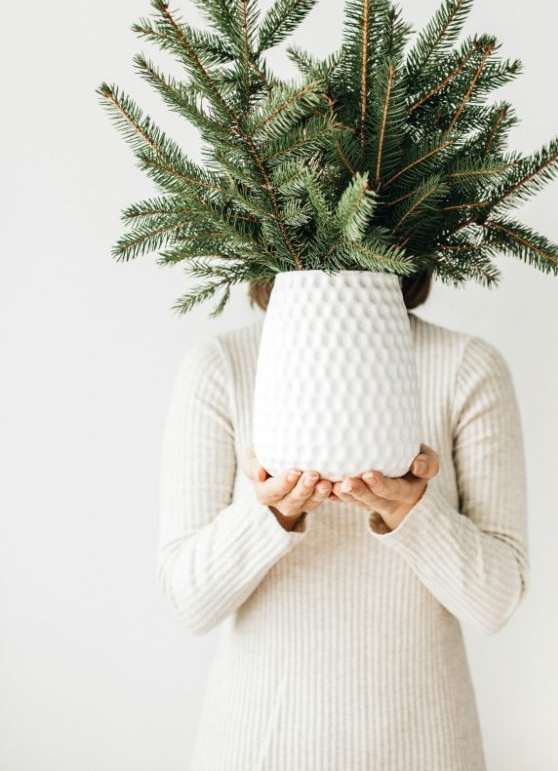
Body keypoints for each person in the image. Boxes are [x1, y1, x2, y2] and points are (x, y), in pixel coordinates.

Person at [156, 271, 529, 770]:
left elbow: (496, 601)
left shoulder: (465, 367)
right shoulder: (223, 366)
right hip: (259, 746)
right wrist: (272, 512)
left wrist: (410, 512)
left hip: (425, 748)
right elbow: (189, 600)